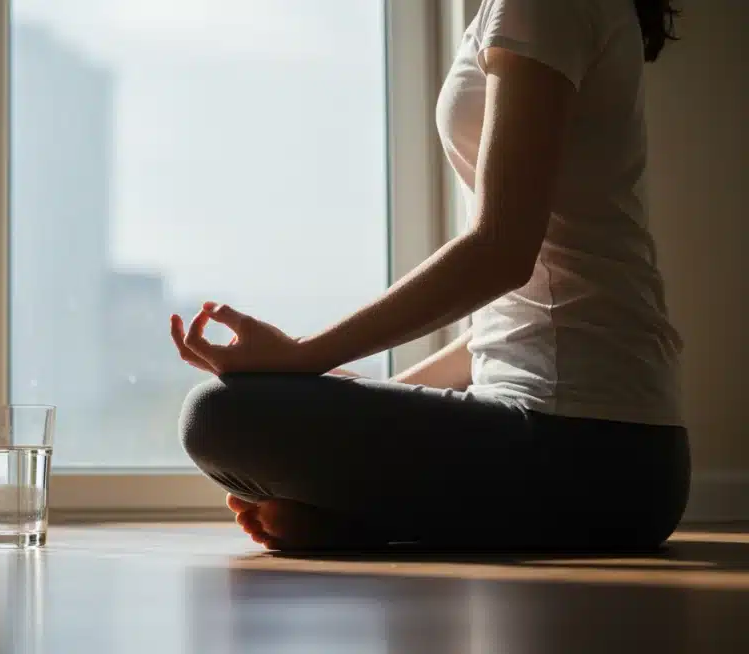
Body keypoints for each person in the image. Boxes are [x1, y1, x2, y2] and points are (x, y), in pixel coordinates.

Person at [171, 0, 689, 552]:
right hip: (615, 460)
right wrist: (371, 400)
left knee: (217, 415)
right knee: (268, 402)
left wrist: (305, 356)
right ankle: (373, 521)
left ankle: (371, 519)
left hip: (592, 452)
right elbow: (522, 314)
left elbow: (500, 251)